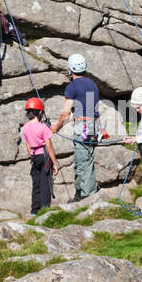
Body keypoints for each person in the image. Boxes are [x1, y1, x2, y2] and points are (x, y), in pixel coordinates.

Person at [52, 54, 100, 200]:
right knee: (85, 159)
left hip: (82, 126)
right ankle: (79, 196)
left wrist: (56, 127)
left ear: (70, 69)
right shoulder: (92, 85)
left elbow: (65, 112)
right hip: (92, 125)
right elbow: (92, 109)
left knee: (83, 163)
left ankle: (88, 198)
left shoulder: (72, 87)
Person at [21, 97, 59, 214]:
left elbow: (27, 145)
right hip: (44, 156)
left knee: (36, 183)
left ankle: (34, 210)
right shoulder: (43, 127)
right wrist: (55, 163)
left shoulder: (25, 128)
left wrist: (32, 156)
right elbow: (49, 147)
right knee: (46, 183)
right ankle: (45, 211)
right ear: (40, 112)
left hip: (34, 156)